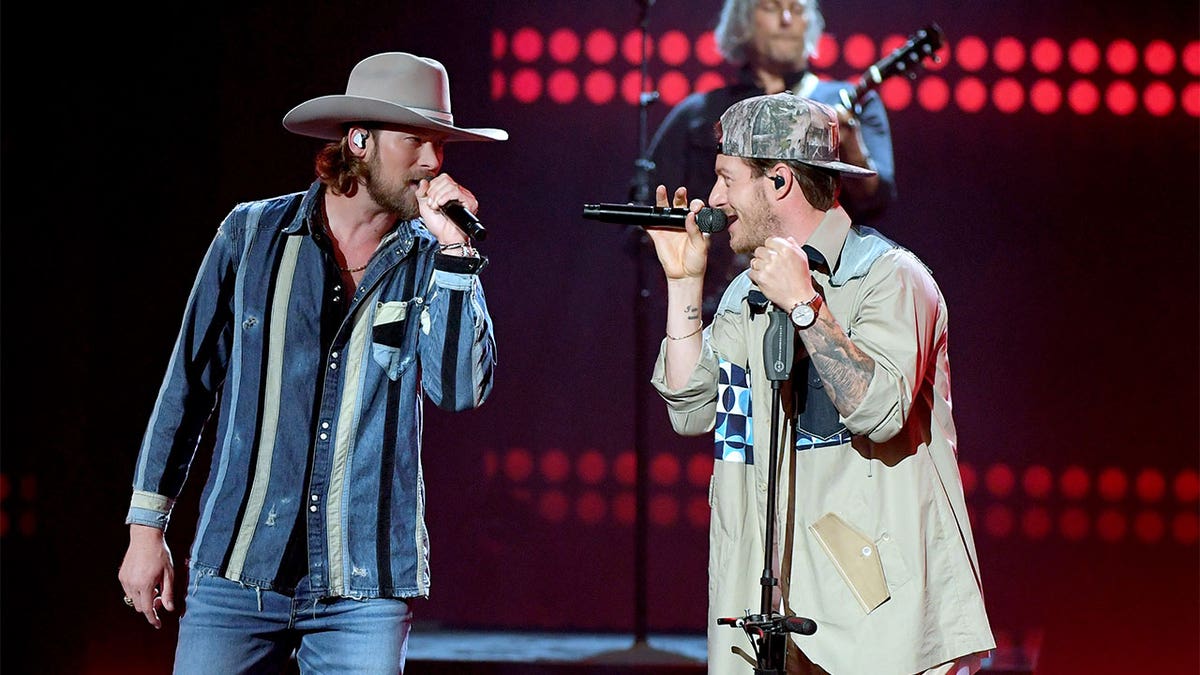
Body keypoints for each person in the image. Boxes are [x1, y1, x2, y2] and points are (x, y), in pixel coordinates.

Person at [116, 52, 505, 674]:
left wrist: (458, 252)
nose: (433, 161)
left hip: (364, 584)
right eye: (415, 140)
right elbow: (186, 386)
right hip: (237, 571)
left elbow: (459, 388)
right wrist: (145, 529)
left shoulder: (435, 258)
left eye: (439, 143)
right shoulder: (251, 235)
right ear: (359, 141)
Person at [645, 92, 994, 674]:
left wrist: (807, 307)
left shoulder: (889, 280)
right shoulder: (742, 294)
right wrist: (685, 284)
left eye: (728, 179)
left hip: (873, 617)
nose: (715, 199)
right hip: (763, 613)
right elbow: (691, 407)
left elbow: (878, 411)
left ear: (777, 181)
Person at [632, 0, 896, 314]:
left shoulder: (844, 108)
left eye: (797, 10)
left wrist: (850, 142)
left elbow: (876, 199)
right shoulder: (698, 114)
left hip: (826, 300)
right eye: (772, 8)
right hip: (720, 304)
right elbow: (645, 212)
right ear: (743, 23)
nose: (786, 19)